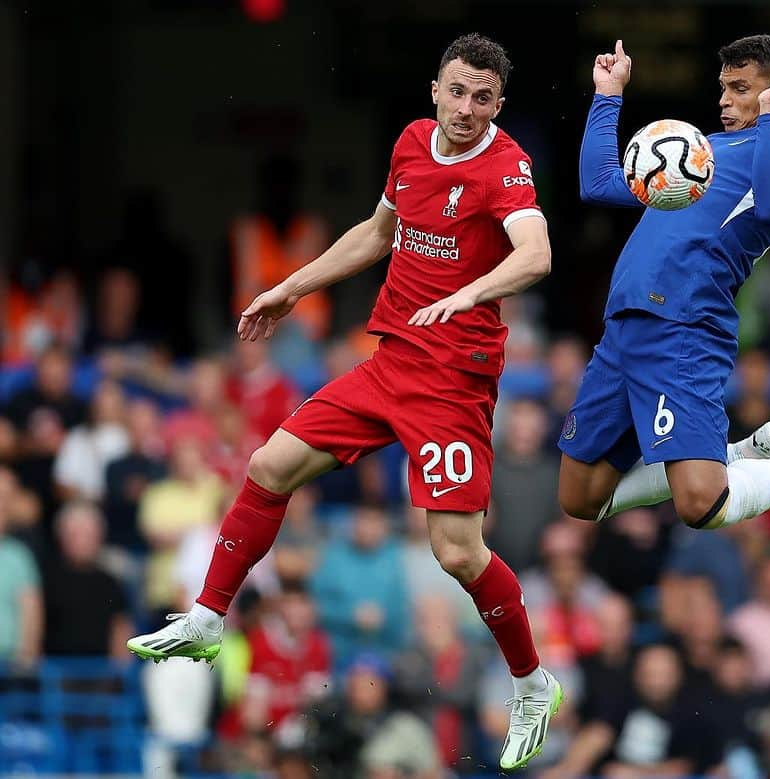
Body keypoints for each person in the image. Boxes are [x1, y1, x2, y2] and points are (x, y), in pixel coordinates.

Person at [127, 33, 560, 771]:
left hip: (453, 383)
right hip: (391, 361)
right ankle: (206, 618)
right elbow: (378, 232)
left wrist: (471, 292)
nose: (466, 108)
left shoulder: (505, 166)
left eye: (482, 98)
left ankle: (531, 681)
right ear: (434, 89)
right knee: (268, 464)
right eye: (456, 91)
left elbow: (537, 252)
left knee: (456, 552)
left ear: (499, 104)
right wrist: (290, 288)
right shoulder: (412, 143)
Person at [558, 35, 770, 538]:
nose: (724, 100)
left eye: (740, 88)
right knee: (580, 497)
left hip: (685, 326)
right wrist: (608, 95)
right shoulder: (698, 152)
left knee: (701, 502)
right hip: (624, 328)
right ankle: (738, 454)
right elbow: (597, 183)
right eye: (723, 88)